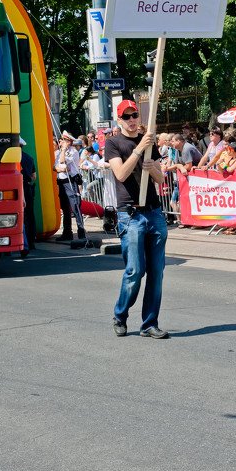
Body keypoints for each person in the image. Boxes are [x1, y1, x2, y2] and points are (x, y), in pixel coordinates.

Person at [105, 99, 169, 339]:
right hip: (130, 215)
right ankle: (120, 315)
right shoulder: (113, 143)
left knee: (156, 272)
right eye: (127, 116)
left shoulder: (148, 141)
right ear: (119, 119)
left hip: (153, 212)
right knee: (134, 271)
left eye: (134, 116)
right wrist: (139, 149)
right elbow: (121, 174)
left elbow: (160, 179)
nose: (132, 120)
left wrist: (152, 168)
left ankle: (149, 323)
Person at [54, 130, 86, 243]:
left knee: (75, 206)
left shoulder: (73, 152)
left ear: (69, 141)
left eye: (63, 140)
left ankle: (81, 232)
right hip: (61, 181)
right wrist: (60, 168)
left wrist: (63, 151)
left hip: (70, 181)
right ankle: (67, 232)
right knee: (65, 208)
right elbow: (55, 167)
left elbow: (63, 163)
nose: (61, 142)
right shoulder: (58, 152)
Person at [20, 137, 37, 253]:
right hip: (28, 187)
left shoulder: (14, 158)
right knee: (30, 215)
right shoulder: (29, 158)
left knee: (22, 216)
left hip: (19, 188)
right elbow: (34, 176)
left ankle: (23, 243)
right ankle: (31, 242)